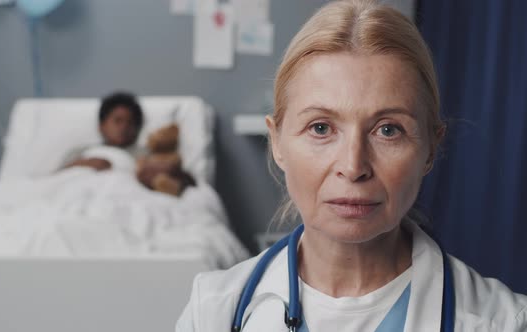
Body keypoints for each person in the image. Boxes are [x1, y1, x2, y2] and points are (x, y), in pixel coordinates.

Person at [175, 1, 527, 331]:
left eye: (388, 130)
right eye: (321, 128)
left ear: (431, 148)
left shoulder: (503, 321)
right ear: (277, 142)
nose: (353, 165)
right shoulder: (214, 310)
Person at [63, 92, 144, 171]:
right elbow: (55, 180)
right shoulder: (80, 153)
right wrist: (82, 164)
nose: (124, 127)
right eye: (117, 121)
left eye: (130, 122)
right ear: (102, 126)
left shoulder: (145, 155)